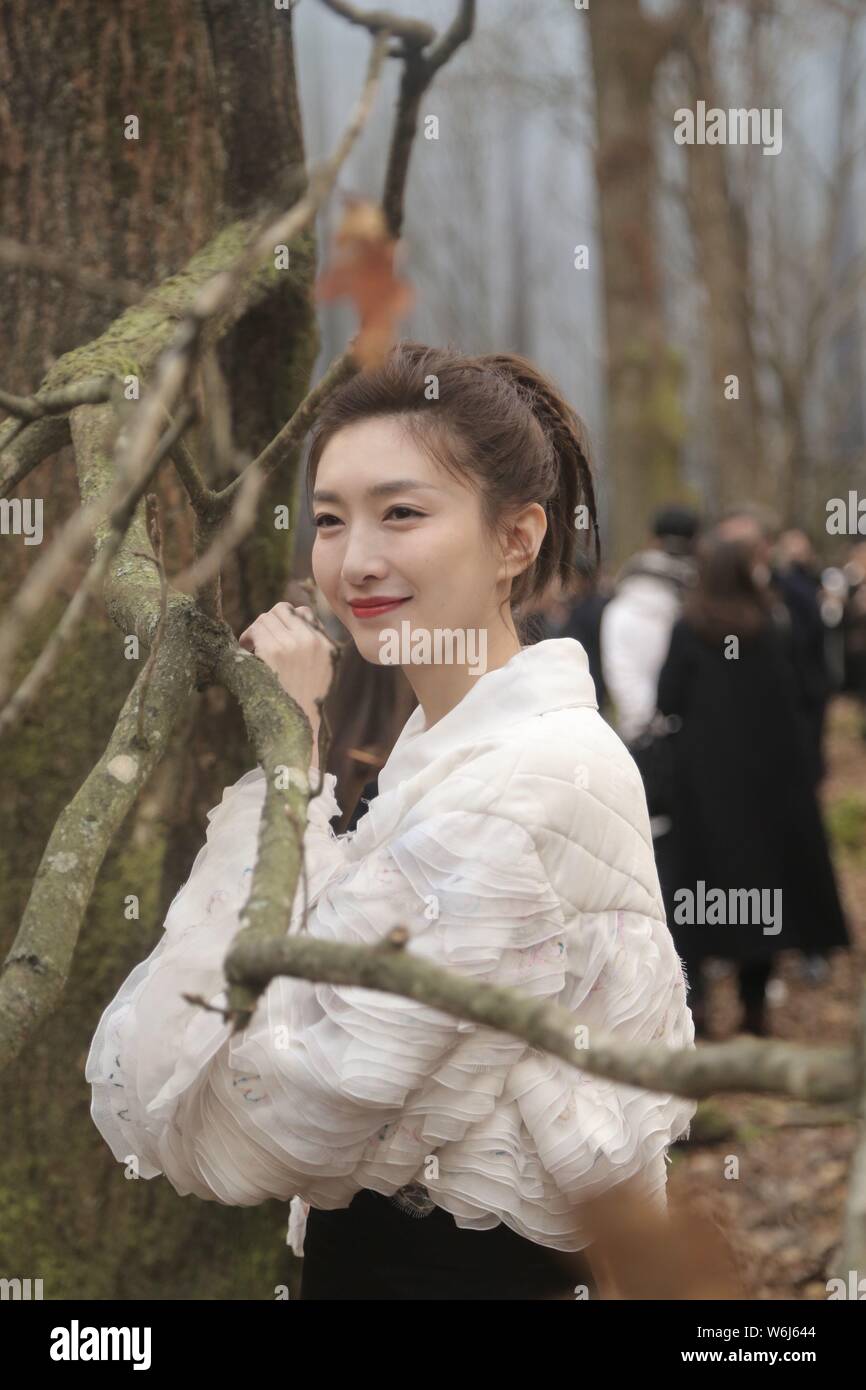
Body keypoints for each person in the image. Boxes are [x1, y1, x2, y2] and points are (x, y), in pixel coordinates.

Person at [86, 341, 696, 1301]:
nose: (356, 560)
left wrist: (288, 771)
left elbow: (286, 1115)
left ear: (515, 539)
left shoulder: (530, 779)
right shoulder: (447, 750)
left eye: (402, 512)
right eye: (329, 520)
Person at [655, 535, 850, 1039]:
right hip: (765, 785)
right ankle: (755, 1008)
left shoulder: (689, 627)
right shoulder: (770, 626)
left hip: (702, 788)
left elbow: (668, 696)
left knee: (696, 895)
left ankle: (696, 1010)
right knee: (761, 894)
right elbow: (795, 699)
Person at [599, 505, 700, 748]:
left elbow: (621, 674)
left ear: (652, 540)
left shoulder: (619, 608)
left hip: (643, 740)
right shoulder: (705, 606)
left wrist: (644, 726)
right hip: (694, 740)